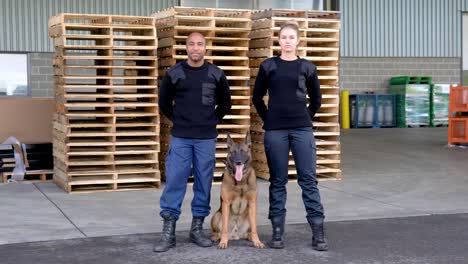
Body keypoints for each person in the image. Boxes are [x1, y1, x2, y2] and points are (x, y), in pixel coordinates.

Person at [252, 21, 329, 251]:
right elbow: (257, 98)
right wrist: (269, 120)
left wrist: (305, 118)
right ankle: (277, 232)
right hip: (275, 131)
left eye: (291, 37)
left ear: (298, 41)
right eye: (283, 37)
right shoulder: (268, 66)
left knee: (308, 180)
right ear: (278, 41)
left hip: (301, 130)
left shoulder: (307, 67)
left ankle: (318, 232)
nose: (287, 41)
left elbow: (316, 100)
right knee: (278, 181)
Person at [154, 32, 232, 252]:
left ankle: (196, 229)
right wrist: (179, 121)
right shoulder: (175, 73)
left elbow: (226, 104)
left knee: (203, 183)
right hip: (181, 138)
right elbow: (164, 103)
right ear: (186, 48)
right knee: (175, 181)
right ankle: (168, 233)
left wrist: (211, 121)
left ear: (205, 48)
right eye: (191, 44)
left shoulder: (216, 74)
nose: (195, 48)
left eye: (200, 44)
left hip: (206, 139)